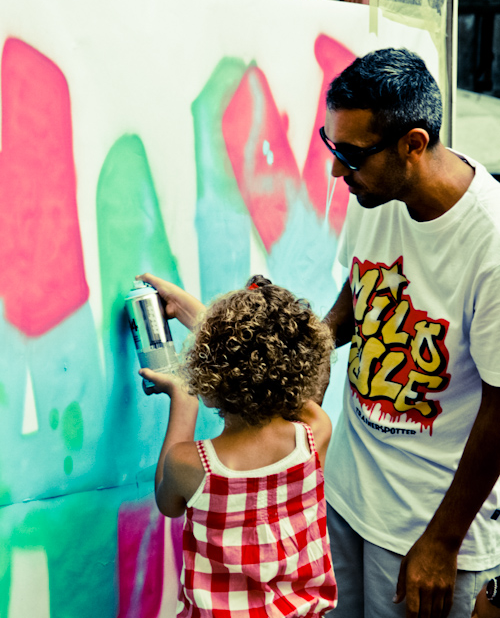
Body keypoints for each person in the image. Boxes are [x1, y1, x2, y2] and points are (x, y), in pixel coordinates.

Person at [319, 48, 500, 618]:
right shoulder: (374, 190)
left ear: (412, 145)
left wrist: (443, 542)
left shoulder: (491, 244)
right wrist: (313, 343)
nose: (336, 171)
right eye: (331, 147)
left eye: (349, 155)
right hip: (346, 497)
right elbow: (360, 293)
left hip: (429, 531)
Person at [137, 273, 338, 617]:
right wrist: (220, 326)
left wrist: (184, 400)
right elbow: (278, 370)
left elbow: (168, 504)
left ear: (206, 379)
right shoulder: (316, 433)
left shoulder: (190, 465)